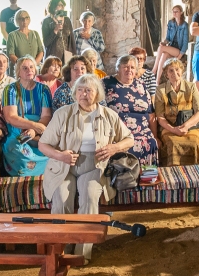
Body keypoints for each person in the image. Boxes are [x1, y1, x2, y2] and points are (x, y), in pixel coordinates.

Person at [39, 74, 134, 215]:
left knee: (90, 199)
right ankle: (62, 236)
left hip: (95, 166)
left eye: (88, 90)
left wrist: (114, 147)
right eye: (80, 90)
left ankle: (86, 235)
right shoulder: (62, 114)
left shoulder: (108, 115)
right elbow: (43, 144)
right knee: (61, 201)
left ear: (97, 94)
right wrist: (60, 155)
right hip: (63, 166)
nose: (83, 94)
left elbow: (129, 139)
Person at [1, 56, 54, 176]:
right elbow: (11, 117)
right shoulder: (10, 89)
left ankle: (45, 186)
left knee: (52, 151)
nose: (29, 70)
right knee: (18, 149)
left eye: (31, 67)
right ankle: (23, 184)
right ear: (18, 72)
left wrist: (34, 131)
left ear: (35, 70)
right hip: (18, 130)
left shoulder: (44, 89)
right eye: (24, 68)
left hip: (40, 130)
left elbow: (46, 116)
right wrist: (33, 125)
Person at [104, 55, 160, 166]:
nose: (129, 70)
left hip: (143, 130)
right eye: (125, 66)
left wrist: (156, 136)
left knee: (152, 142)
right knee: (128, 145)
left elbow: (151, 114)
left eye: (132, 67)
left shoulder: (141, 85)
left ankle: (148, 179)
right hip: (119, 131)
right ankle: (127, 179)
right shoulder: (106, 83)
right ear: (118, 69)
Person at [154, 59, 199, 166]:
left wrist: (186, 126)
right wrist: (173, 129)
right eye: (170, 71)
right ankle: (173, 173)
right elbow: (160, 116)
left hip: (190, 126)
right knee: (172, 143)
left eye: (177, 69)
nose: (174, 73)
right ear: (166, 74)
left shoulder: (191, 87)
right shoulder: (160, 90)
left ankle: (192, 173)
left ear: (182, 71)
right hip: (169, 127)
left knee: (193, 142)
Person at [154, 5, 189, 84]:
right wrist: (164, 42)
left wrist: (179, 56)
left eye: (176, 11)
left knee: (161, 48)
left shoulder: (185, 25)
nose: (174, 13)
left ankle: (154, 71)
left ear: (181, 12)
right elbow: (168, 38)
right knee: (163, 54)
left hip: (179, 50)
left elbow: (185, 43)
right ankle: (157, 81)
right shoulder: (171, 23)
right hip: (171, 47)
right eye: (173, 11)